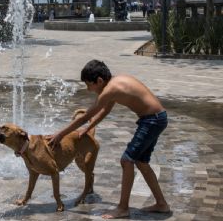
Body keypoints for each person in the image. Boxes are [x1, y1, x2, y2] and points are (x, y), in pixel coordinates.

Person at [48, 60, 170, 219]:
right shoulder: (116, 83)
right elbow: (106, 109)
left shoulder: (109, 90)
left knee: (127, 161)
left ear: (99, 80)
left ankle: (123, 208)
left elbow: (85, 116)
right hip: (157, 118)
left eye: (89, 85)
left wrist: (60, 134)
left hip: (152, 120)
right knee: (141, 162)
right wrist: (87, 129)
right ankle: (162, 204)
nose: (88, 89)